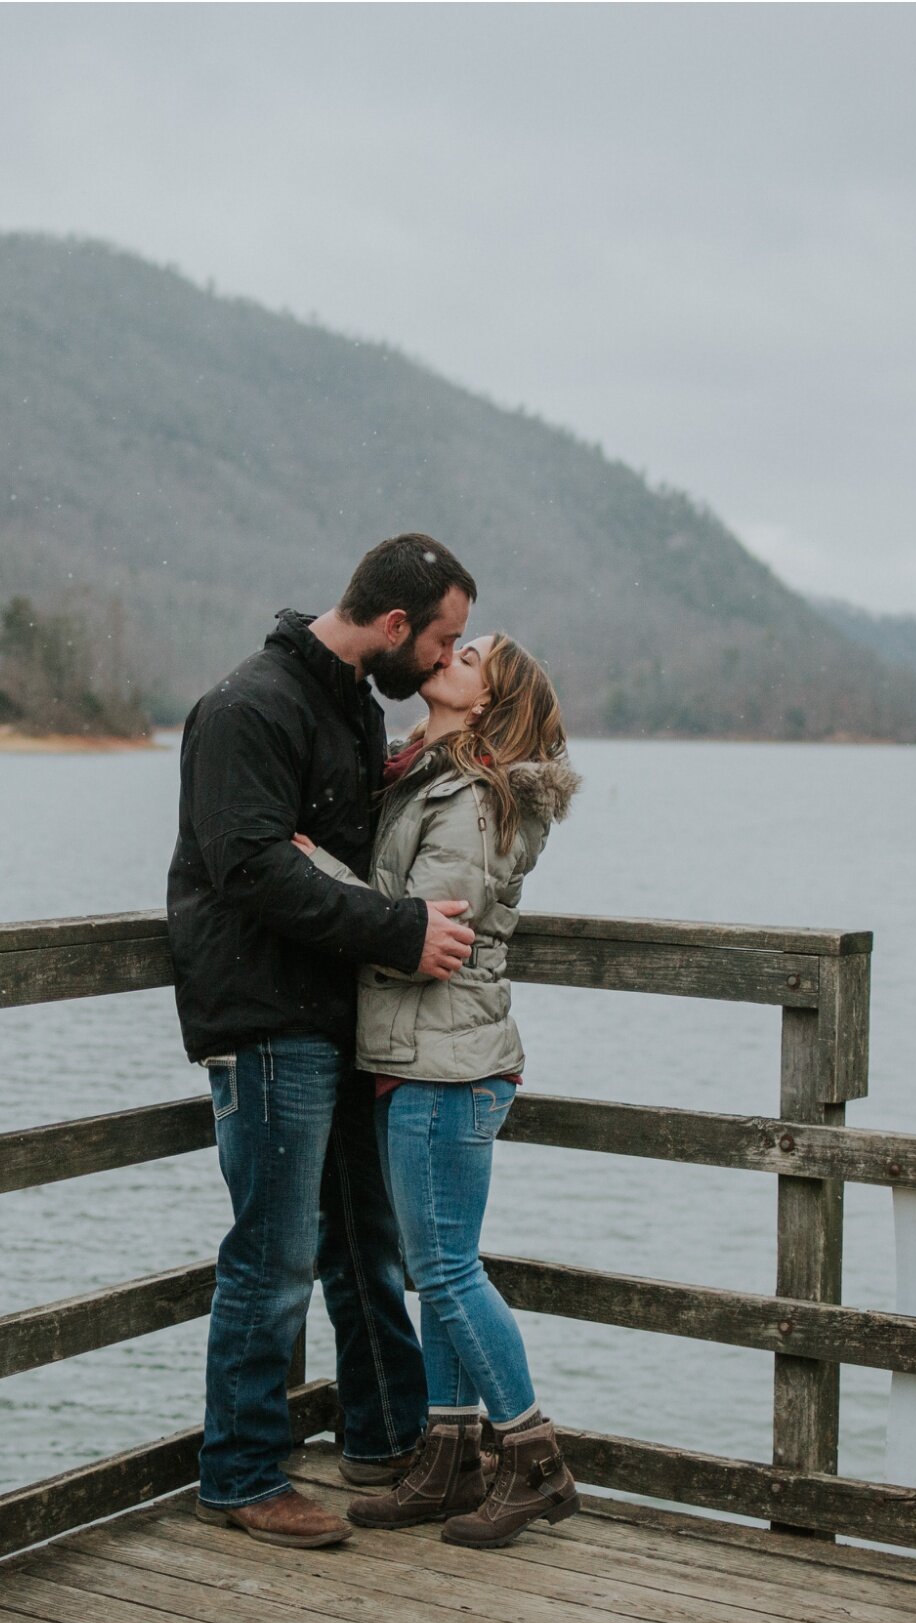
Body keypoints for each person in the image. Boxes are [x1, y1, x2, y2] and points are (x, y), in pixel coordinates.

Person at [167, 532, 483, 1548]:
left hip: (339, 1016)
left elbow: (349, 849)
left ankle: (383, 1439)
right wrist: (400, 932)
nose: (440, 661)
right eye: (440, 642)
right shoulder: (245, 706)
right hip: (264, 1021)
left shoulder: (350, 705)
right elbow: (250, 866)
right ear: (393, 626)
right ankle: (242, 1474)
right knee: (273, 1254)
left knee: (363, 1238)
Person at [292, 632, 583, 1548]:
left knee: (447, 1272)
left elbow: (427, 929)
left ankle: (534, 1459)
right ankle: (452, 1457)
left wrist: (316, 871)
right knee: (440, 1268)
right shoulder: (431, 774)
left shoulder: (465, 801)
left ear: (486, 708)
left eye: (471, 660)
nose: (449, 657)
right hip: (432, 1059)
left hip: (446, 1065)